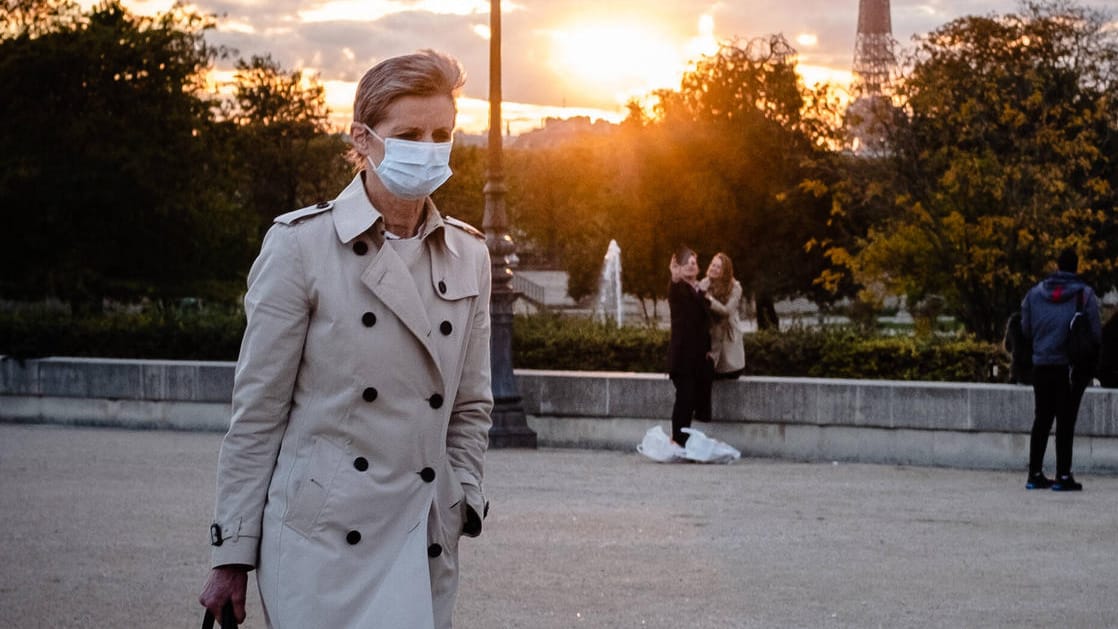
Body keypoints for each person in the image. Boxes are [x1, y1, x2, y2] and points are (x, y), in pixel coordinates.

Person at [198, 50, 493, 629]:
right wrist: (231, 550)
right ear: (362, 136)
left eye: (442, 134)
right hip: (322, 544)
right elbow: (257, 414)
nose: (429, 147)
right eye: (408, 133)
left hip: (422, 536)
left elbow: (473, 404)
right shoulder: (299, 246)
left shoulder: (471, 254)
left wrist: (461, 498)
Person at [1020, 248, 1101, 491]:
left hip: (1041, 364)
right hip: (1068, 367)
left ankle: (1034, 474)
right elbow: (1095, 334)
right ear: (1076, 267)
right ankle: (1063, 475)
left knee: (1041, 419)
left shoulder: (1034, 294)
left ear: (1057, 265)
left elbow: (1026, 328)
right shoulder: (1084, 295)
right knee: (1065, 421)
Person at [667, 246, 713, 446]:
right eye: (687, 263)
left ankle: (681, 439)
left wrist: (708, 349)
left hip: (697, 358)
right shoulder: (678, 289)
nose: (691, 266)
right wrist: (675, 277)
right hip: (681, 356)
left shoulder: (699, 291)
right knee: (684, 398)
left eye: (693, 263)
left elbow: (703, 325)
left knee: (690, 399)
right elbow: (674, 288)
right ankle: (677, 440)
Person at [699, 252, 746, 379]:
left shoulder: (734, 287)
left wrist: (709, 299)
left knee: (727, 371)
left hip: (727, 337)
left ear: (725, 271)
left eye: (718, 267)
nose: (713, 268)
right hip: (710, 338)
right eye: (712, 265)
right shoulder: (703, 284)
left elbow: (726, 311)